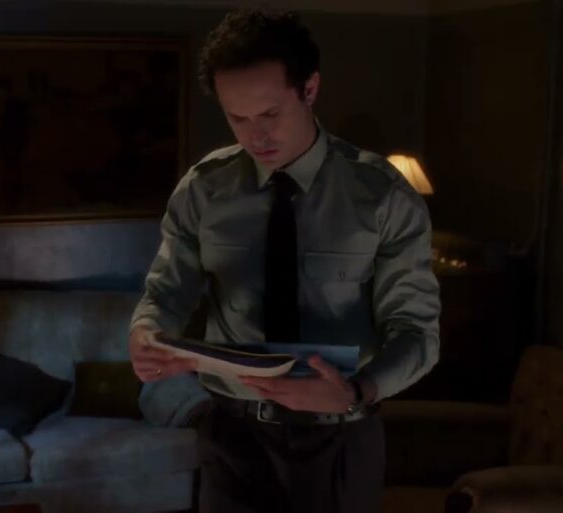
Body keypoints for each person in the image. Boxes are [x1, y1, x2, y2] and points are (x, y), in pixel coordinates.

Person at [127, 8, 441, 513]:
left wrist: (356, 392)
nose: (256, 136)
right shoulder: (204, 189)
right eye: (238, 118)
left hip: (339, 436)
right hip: (232, 436)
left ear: (309, 89)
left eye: (270, 114)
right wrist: (146, 333)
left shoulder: (382, 195)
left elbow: (417, 333)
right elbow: (165, 293)